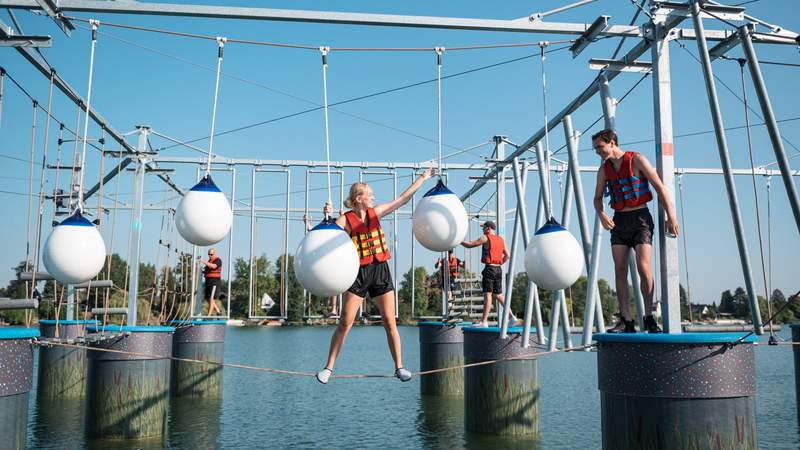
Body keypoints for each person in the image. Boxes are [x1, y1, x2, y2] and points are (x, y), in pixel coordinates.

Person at [316, 168, 434, 384]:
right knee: (345, 323)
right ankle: (328, 368)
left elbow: (403, 199)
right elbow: (325, 233)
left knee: (390, 321)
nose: (373, 196)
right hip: (358, 273)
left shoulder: (376, 212)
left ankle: (399, 367)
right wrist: (326, 215)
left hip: (380, 270)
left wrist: (423, 178)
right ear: (358, 198)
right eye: (369, 194)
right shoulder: (345, 219)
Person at [591, 129, 679, 333]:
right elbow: (597, 198)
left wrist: (670, 216)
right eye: (595, 149)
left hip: (641, 219)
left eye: (600, 147)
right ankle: (626, 320)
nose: (598, 152)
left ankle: (649, 318)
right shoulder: (604, 170)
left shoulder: (637, 159)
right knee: (620, 269)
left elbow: (659, 186)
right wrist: (602, 214)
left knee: (643, 266)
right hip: (619, 221)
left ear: (612, 142)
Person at [460, 220, 515, 328]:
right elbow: (508, 255)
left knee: (488, 295)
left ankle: (484, 322)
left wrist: (458, 240)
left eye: (484, 228)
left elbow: (470, 245)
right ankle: (512, 317)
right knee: (499, 295)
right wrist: (499, 263)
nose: (483, 230)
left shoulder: (485, 237)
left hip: (489, 269)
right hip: (498, 269)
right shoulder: (501, 239)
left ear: (488, 228)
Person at [304, 213, 341, 319]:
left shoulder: (337, 224)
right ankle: (332, 309)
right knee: (332, 283)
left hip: (335, 258)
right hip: (327, 259)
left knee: (336, 284)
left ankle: (334, 309)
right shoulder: (324, 225)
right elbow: (311, 230)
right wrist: (306, 221)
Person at [198, 248, 224, 316]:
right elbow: (207, 270)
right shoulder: (209, 260)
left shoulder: (218, 260)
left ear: (215, 254)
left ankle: (208, 316)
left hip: (214, 281)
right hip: (208, 281)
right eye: (209, 254)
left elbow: (213, 266)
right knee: (208, 299)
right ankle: (218, 311)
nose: (210, 256)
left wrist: (203, 261)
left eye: (211, 254)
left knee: (211, 299)